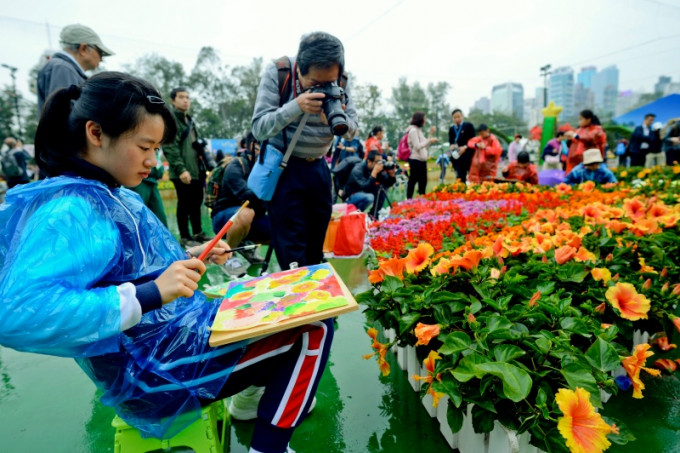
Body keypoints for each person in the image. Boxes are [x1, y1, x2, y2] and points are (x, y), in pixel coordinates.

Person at [0, 72, 331, 453]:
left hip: (168, 345)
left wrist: (191, 257)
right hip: (150, 376)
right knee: (314, 328)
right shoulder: (72, 209)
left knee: (272, 301)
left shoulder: (109, 194)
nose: (154, 162)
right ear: (96, 133)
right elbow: (18, 313)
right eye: (145, 147)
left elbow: (128, 270)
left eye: (157, 149)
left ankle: (249, 402)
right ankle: (267, 448)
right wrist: (150, 294)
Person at [251, 31, 358, 270]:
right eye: (315, 84)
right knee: (292, 252)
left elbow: (352, 129)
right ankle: (297, 299)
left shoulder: (341, 81)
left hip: (319, 167)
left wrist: (333, 120)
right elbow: (258, 127)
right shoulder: (279, 72)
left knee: (315, 247)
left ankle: (315, 299)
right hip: (285, 169)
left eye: (329, 82)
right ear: (299, 68)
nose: (323, 89)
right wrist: (295, 107)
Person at [211, 133, 269, 276]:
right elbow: (246, 197)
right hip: (223, 219)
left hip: (252, 218)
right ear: (251, 146)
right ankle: (228, 256)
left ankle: (246, 246)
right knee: (246, 213)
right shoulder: (236, 165)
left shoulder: (265, 168)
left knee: (281, 228)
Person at [164, 87, 212, 247]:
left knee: (196, 202)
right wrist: (181, 169)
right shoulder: (171, 120)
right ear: (173, 100)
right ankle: (185, 236)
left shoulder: (190, 121)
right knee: (184, 204)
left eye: (188, 97)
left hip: (196, 170)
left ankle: (198, 232)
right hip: (182, 172)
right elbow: (170, 147)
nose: (186, 100)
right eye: (181, 97)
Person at [37, 24, 114, 113]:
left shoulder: (64, 68)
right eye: (100, 53)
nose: (101, 59)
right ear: (83, 49)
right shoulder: (63, 68)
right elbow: (62, 113)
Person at [126, 148, 168, 226]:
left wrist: (159, 171)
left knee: (159, 215)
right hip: (140, 182)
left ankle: (164, 237)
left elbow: (158, 166)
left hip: (153, 182)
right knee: (139, 215)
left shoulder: (155, 148)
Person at [406, 111, 438, 198]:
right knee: (413, 181)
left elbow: (425, 144)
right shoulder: (413, 131)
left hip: (422, 160)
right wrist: (429, 140)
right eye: (424, 118)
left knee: (423, 182)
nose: (425, 120)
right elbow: (417, 146)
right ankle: (409, 200)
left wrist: (430, 134)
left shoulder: (418, 130)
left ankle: (421, 202)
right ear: (420, 119)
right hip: (415, 160)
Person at [564, 109, 606, 174]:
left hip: (590, 159)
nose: (579, 122)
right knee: (574, 177)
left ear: (588, 119)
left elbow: (590, 137)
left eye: (581, 119)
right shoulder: (578, 130)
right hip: (575, 160)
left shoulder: (597, 129)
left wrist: (575, 136)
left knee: (589, 177)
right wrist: (569, 139)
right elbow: (572, 143)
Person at [448, 109, 476, 182]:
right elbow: (451, 141)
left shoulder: (468, 126)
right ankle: (461, 191)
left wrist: (465, 147)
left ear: (462, 116)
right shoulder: (451, 129)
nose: (457, 119)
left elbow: (473, 140)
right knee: (460, 177)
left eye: (458, 116)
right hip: (457, 156)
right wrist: (452, 146)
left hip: (468, 155)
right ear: (452, 118)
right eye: (454, 117)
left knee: (471, 176)